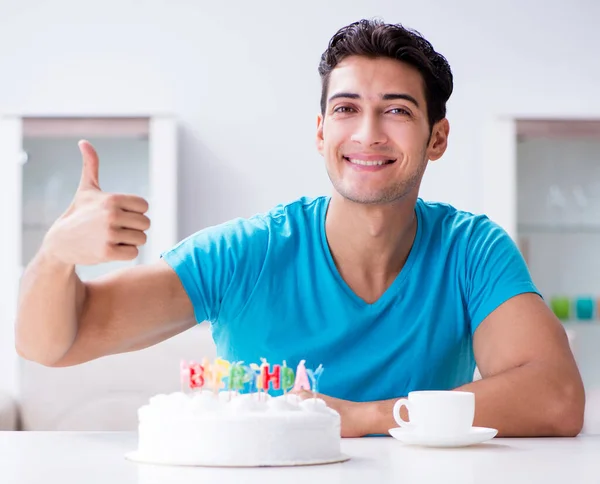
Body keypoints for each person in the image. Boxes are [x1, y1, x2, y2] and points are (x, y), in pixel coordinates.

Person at [15, 19, 585, 438]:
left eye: (397, 110)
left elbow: (556, 397)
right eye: (345, 109)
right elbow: (52, 344)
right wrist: (56, 255)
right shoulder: (247, 253)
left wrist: (361, 417)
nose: (368, 134)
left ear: (437, 138)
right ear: (320, 132)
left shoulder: (471, 251)